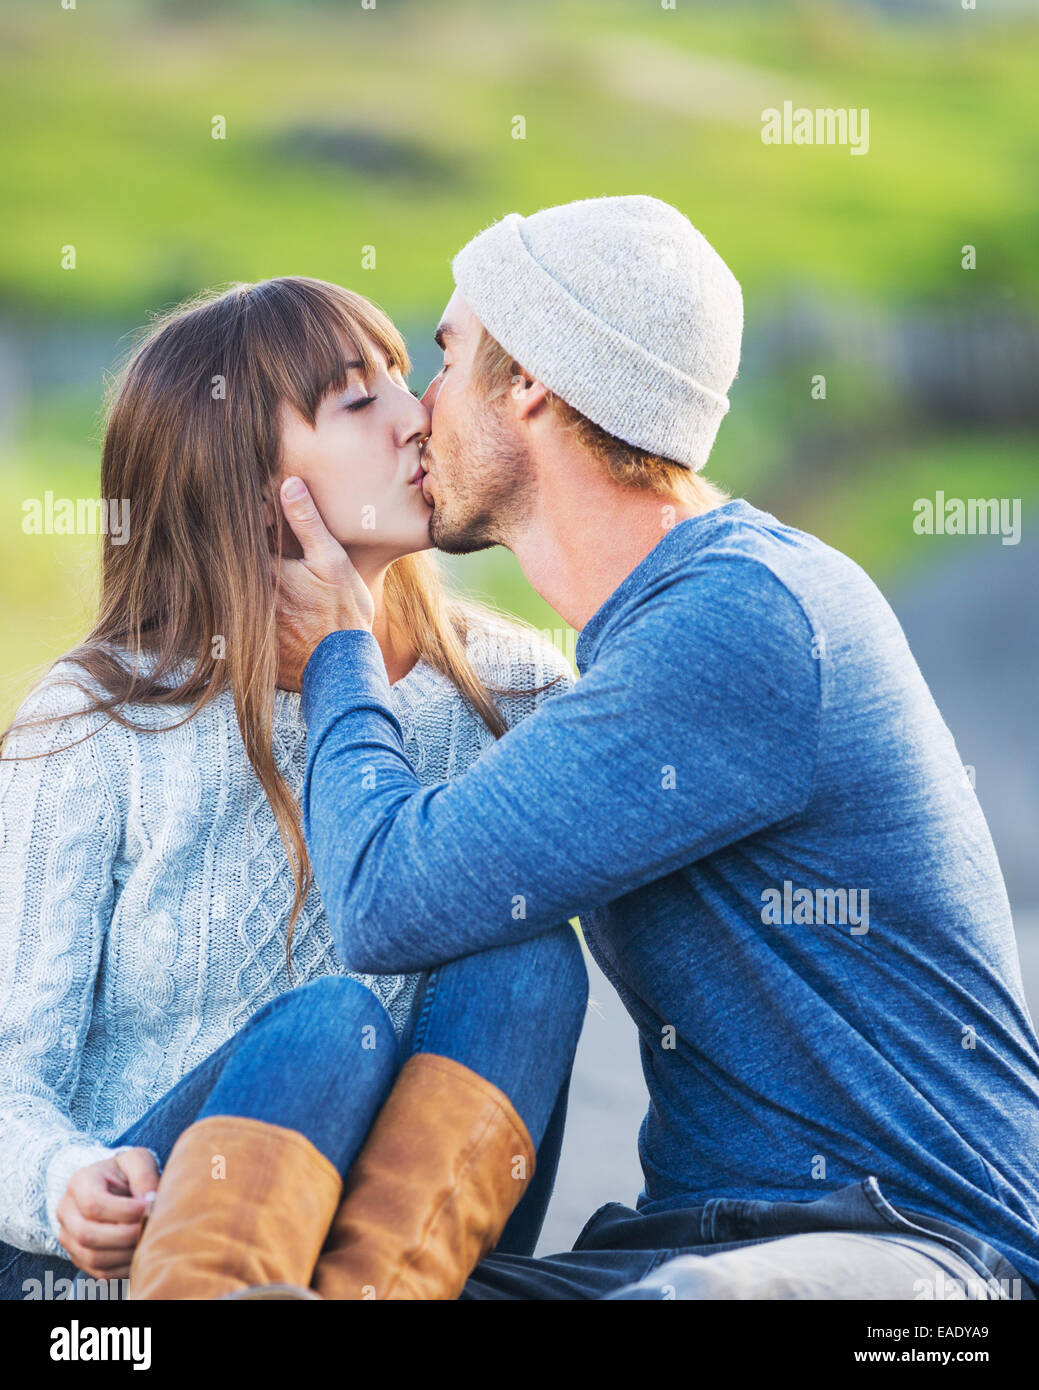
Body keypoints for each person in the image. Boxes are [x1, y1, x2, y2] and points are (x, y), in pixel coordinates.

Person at [273, 195, 1039, 1301]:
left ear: (529, 380)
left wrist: (341, 645)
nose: (420, 410)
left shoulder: (746, 619)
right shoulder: (658, 636)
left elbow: (389, 896)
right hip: (683, 1246)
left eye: (446, 355)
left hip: (923, 1254)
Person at [0, 276, 588, 1302]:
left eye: (406, 378)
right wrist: (60, 1182)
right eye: (360, 401)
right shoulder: (97, 721)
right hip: (102, 1279)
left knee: (529, 961)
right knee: (332, 1025)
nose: (421, 418)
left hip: (386, 1259)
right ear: (248, 484)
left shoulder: (514, 691)